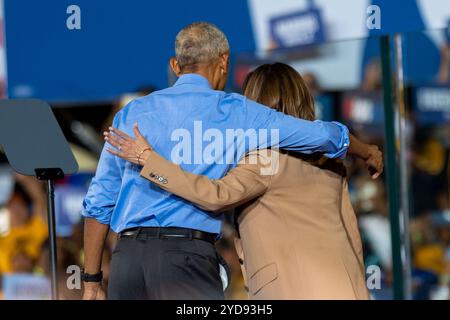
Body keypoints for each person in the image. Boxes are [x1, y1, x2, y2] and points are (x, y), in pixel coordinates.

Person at [83, 22, 380, 300]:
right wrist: (366, 150)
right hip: (187, 259)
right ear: (224, 62)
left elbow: (99, 202)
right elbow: (324, 137)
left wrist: (92, 280)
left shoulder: (131, 114)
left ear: (175, 66)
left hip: (127, 260)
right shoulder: (238, 113)